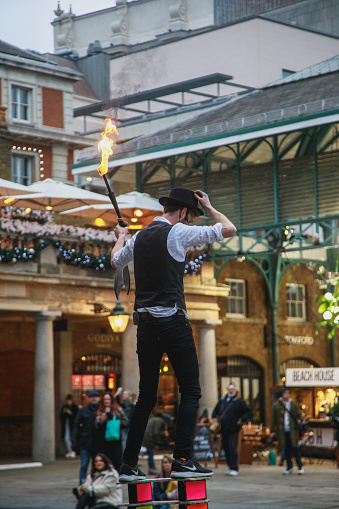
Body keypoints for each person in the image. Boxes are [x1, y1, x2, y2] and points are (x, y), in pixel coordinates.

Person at [112, 188, 236, 482]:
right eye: (192, 216)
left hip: (145, 325)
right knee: (191, 390)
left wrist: (120, 235)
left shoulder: (139, 236)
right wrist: (209, 204)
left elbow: (117, 261)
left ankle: (128, 465)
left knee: (145, 397)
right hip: (172, 320)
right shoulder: (179, 232)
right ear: (182, 213)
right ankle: (182, 460)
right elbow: (229, 229)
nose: (191, 222)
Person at [212, 383, 252, 476]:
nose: (231, 391)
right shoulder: (222, 401)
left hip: (234, 429)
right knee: (225, 448)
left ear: (235, 390)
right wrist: (214, 417)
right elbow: (215, 411)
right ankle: (230, 467)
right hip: (223, 429)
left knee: (232, 447)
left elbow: (249, 411)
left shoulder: (239, 402)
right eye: (229, 389)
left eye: (232, 389)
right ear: (227, 390)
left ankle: (234, 467)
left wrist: (242, 419)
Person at [270, 387, 304, 475]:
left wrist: (302, 420)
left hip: (293, 430)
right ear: (282, 395)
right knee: (287, 449)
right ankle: (289, 467)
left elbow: (298, 414)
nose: (287, 395)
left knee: (295, 448)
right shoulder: (276, 405)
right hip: (282, 431)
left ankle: (300, 466)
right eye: (285, 393)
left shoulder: (293, 404)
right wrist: (272, 430)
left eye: (288, 393)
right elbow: (273, 419)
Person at [94, 392, 128, 472]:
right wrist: (102, 419)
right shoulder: (100, 410)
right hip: (103, 440)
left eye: (108, 399)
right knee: (105, 460)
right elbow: (96, 425)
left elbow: (126, 422)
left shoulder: (118, 409)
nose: (107, 401)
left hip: (115, 439)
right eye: (105, 399)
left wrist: (114, 419)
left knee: (116, 460)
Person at [72, 390, 100, 485]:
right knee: (84, 465)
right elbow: (76, 425)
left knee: (97, 466)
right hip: (85, 443)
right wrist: (74, 441)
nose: (94, 398)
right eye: (92, 396)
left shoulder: (101, 410)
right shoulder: (82, 411)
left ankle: (94, 485)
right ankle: (82, 486)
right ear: (89, 398)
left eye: (95, 396)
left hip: (97, 444)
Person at [142, 411, 168, 475]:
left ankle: (152, 467)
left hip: (146, 437)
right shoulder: (160, 421)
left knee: (150, 453)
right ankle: (152, 468)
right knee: (151, 453)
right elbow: (156, 432)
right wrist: (157, 443)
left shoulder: (153, 419)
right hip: (150, 439)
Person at [60, 394, 78, 458]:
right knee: (66, 437)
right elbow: (61, 416)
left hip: (72, 424)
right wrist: (64, 412)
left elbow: (76, 415)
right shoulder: (64, 407)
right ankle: (70, 450)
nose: (68, 402)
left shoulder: (74, 407)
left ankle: (73, 451)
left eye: (69, 400)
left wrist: (70, 412)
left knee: (72, 437)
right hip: (66, 423)